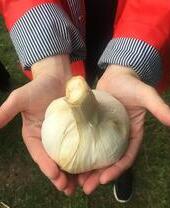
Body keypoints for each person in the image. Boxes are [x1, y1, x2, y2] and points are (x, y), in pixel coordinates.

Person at [1, 0, 170, 203]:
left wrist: (131, 60)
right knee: (86, 81)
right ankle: (116, 152)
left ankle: (121, 165)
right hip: (68, 27)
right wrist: (48, 56)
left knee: (122, 130)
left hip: (126, 17)